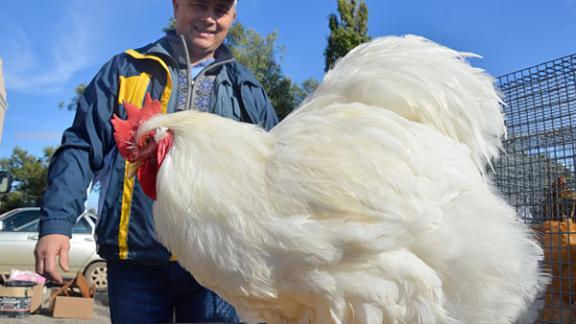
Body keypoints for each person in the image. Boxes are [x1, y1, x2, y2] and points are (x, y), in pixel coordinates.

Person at [34, 0, 278, 322]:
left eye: (219, 9)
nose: (208, 17)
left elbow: (273, 169)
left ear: (233, 16)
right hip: (136, 255)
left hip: (217, 258)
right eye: (199, 5)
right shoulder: (125, 70)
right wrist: (56, 223)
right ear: (177, 6)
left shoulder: (247, 87)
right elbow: (81, 145)